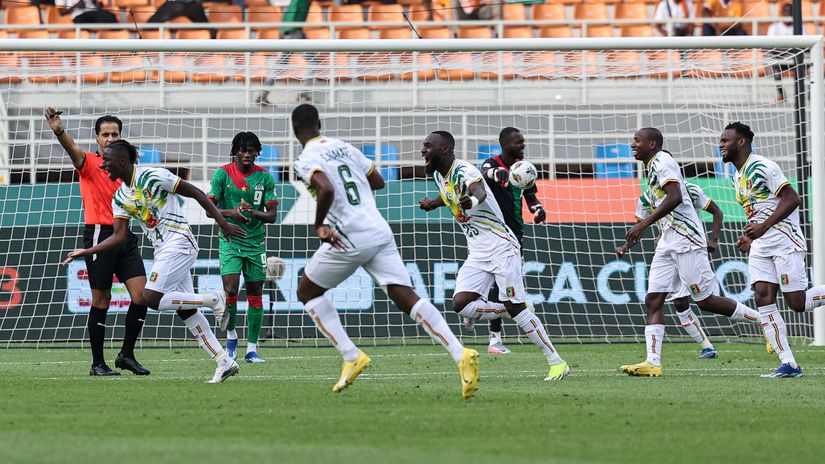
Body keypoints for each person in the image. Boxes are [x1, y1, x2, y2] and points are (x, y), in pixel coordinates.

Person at [291, 104, 480, 400]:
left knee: (307, 292)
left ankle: (351, 355)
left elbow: (325, 188)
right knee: (406, 296)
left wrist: (319, 225)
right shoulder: (343, 146)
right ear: (320, 123)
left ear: (294, 130)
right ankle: (460, 353)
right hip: (378, 229)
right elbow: (377, 181)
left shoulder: (305, 158)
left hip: (348, 235)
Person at [62, 140, 246, 383]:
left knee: (150, 298)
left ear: (121, 162)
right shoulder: (120, 197)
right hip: (163, 250)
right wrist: (89, 251)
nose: (103, 165)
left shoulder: (154, 176)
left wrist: (223, 224)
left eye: (106, 161)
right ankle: (223, 360)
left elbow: (197, 193)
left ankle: (213, 299)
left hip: (180, 242)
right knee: (187, 311)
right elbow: (119, 236)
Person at [418, 130, 570, 381]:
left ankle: (556, 361)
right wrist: (433, 204)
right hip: (477, 251)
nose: (423, 150)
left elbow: (480, 192)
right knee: (462, 305)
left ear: (444, 149)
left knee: (517, 309)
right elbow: (449, 196)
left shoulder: (464, 170)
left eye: (427, 146)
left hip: (501, 246)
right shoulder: (438, 174)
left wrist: (473, 202)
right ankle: (512, 308)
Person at [616, 128, 761, 377]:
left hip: (687, 240)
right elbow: (656, 205)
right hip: (667, 243)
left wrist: (643, 224)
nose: (632, 145)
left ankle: (764, 322)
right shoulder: (651, 175)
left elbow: (674, 197)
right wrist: (635, 236)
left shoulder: (663, 161)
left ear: (652, 144)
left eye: (637, 141)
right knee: (654, 299)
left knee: (704, 301)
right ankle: (653, 361)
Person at [45, 108, 150, 377]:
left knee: (142, 296)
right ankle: (97, 364)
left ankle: (126, 354)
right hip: (99, 235)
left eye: (115, 134)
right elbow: (72, 150)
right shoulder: (89, 162)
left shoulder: (129, 169)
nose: (111, 138)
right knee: (100, 300)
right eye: (105, 134)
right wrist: (59, 129)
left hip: (124, 235)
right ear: (97, 138)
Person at [720, 122, 825, 377]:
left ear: (741, 142)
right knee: (763, 297)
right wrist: (751, 237)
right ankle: (788, 363)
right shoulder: (737, 175)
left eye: (725, 140)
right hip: (762, 245)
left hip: (785, 241)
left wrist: (764, 227)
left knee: (797, 303)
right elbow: (758, 210)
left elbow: (792, 198)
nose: (720, 145)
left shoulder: (763, 166)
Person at [464, 127, 547, 355]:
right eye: (518, 142)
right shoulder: (491, 163)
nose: (522, 145)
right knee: (499, 286)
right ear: (505, 144)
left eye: (523, 142)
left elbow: (530, 196)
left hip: (515, 234)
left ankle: (474, 311)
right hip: (491, 233)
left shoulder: (524, 169)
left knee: (500, 285)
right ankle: (494, 340)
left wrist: (538, 209)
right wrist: (502, 175)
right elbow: (491, 173)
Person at [631, 181, 725, 359]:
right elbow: (641, 225)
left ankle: (762, 320)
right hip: (669, 250)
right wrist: (626, 246)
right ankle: (706, 346)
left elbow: (717, 212)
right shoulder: (647, 197)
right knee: (678, 302)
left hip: (690, 248)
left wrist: (714, 239)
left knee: (705, 301)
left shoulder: (689, 189)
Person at [208, 132, 278, 363]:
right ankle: (231, 339)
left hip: (256, 243)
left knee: (255, 294)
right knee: (230, 291)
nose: (247, 154)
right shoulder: (222, 173)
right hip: (230, 240)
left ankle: (252, 349)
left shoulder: (265, 178)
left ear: (257, 152)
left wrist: (253, 212)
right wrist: (231, 214)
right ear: (235, 151)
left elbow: (272, 216)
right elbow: (210, 209)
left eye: (252, 150)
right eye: (243, 150)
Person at [766, 3, 795, 103]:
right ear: (782, 13)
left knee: (809, 66)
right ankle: (781, 94)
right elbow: (770, 47)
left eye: (790, 11)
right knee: (775, 68)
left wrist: (782, 47)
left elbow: (804, 47)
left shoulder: (800, 27)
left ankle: (806, 95)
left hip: (794, 59)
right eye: (786, 11)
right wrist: (790, 48)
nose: (788, 13)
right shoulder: (774, 27)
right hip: (779, 59)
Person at [55, 0, 119, 24]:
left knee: (111, 17)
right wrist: (76, 6)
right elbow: (61, 12)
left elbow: (95, 4)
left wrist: (98, 4)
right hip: (78, 15)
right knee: (80, 21)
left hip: (93, 12)